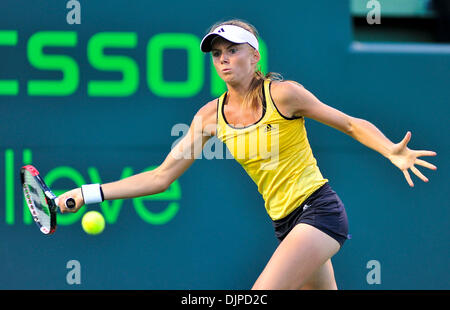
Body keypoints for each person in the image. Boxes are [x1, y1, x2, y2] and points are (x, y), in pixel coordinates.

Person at [57, 19, 437, 290]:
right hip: (285, 225)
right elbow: (161, 177)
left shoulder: (284, 95)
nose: (223, 59)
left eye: (233, 51)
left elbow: (351, 124)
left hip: (318, 213)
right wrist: (89, 193)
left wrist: (391, 150)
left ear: (254, 57)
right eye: (217, 53)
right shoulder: (208, 117)